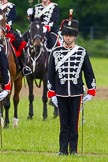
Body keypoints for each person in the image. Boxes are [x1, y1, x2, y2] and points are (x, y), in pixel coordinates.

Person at [47, 16, 96, 155]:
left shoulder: (81, 52)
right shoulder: (55, 52)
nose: (68, 38)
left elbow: (88, 72)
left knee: (74, 124)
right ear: (63, 36)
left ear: (74, 37)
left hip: (76, 92)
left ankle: (73, 150)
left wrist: (91, 91)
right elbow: (50, 75)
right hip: (61, 93)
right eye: (66, 35)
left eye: (71, 35)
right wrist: (52, 93)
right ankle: (62, 150)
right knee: (63, 124)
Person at [0, 0, 32, 75]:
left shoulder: (11, 6)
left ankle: (24, 66)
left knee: (19, 42)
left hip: (7, 29)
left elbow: (12, 17)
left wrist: (7, 26)